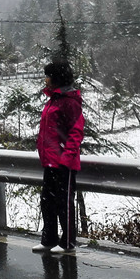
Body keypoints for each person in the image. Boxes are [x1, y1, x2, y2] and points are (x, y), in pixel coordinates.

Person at [32, 60, 85, 256]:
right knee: (47, 201)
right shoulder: (54, 99)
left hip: (64, 163)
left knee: (64, 203)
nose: (45, 79)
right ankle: (49, 239)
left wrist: (66, 158)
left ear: (57, 78)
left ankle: (68, 243)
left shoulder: (69, 101)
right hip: (50, 161)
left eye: (48, 75)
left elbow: (76, 132)